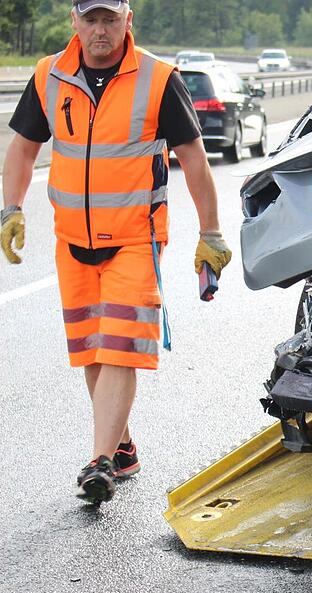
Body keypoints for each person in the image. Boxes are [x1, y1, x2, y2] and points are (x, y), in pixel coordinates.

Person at [0, 0, 232, 504]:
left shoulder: (158, 78)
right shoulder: (49, 76)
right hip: (72, 241)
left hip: (135, 238)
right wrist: (10, 208)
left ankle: (99, 461)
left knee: (119, 345)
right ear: (74, 21)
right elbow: (22, 148)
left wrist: (210, 233)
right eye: (91, 18)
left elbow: (193, 159)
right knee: (91, 348)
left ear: (129, 20)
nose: (99, 29)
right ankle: (122, 446)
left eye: (110, 18)